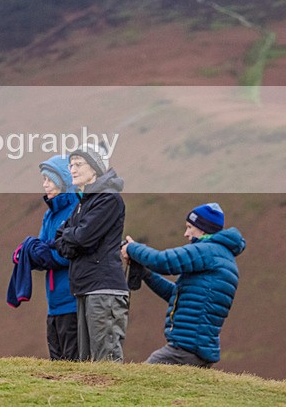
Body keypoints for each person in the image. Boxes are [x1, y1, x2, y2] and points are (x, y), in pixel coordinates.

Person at [121, 203, 246, 367]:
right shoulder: (221, 255)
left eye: (190, 227)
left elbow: (162, 261)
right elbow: (178, 295)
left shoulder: (208, 250)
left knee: (137, 380)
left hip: (184, 351)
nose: (186, 234)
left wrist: (132, 248)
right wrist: (147, 274)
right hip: (196, 349)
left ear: (203, 229)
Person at [54, 144, 128, 362]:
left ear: (95, 168)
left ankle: (113, 397)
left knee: (106, 359)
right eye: (71, 165)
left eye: (78, 164)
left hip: (104, 288)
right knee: (87, 362)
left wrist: (72, 236)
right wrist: (72, 236)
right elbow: (61, 241)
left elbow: (82, 237)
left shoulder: (109, 199)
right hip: (85, 287)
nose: (72, 169)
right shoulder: (83, 203)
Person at [7, 155, 79, 360]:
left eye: (49, 179)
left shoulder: (75, 209)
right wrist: (27, 253)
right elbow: (41, 252)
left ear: (63, 180)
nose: (45, 185)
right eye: (44, 179)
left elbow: (68, 253)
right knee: (57, 363)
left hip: (71, 301)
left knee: (73, 364)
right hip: (54, 303)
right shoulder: (50, 214)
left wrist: (42, 253)